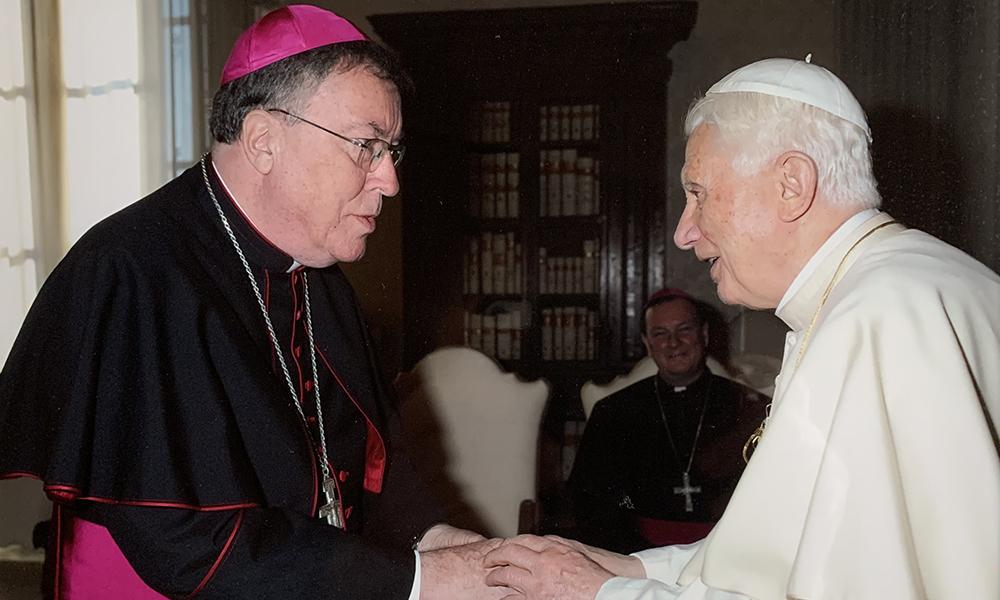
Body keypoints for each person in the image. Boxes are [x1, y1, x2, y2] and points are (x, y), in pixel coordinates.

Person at [0, 6, 506, 599]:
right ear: (264, 140)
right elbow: (189, 544)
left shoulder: (317, 279)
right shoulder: (134, 273)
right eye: (367, 146)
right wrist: (423, 579)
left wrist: (470, 552)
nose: (390, 180)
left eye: (392, 150)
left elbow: (373, 473)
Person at [483, 56, 1000, 599]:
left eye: (699, 192)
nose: (685, 231)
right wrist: (628, 571)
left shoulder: (877, 317)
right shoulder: (903, 282)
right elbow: (775, 554)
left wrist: (597, 594)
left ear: (791, 184)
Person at [569, 288, 766, 554]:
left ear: (703, 334)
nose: (673, 343)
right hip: (635, 554)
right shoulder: (613, 412)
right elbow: (591, 504)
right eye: (660, 334)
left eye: (684, 330)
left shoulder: (751, 408)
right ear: (647, 343)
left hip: (730, 553)